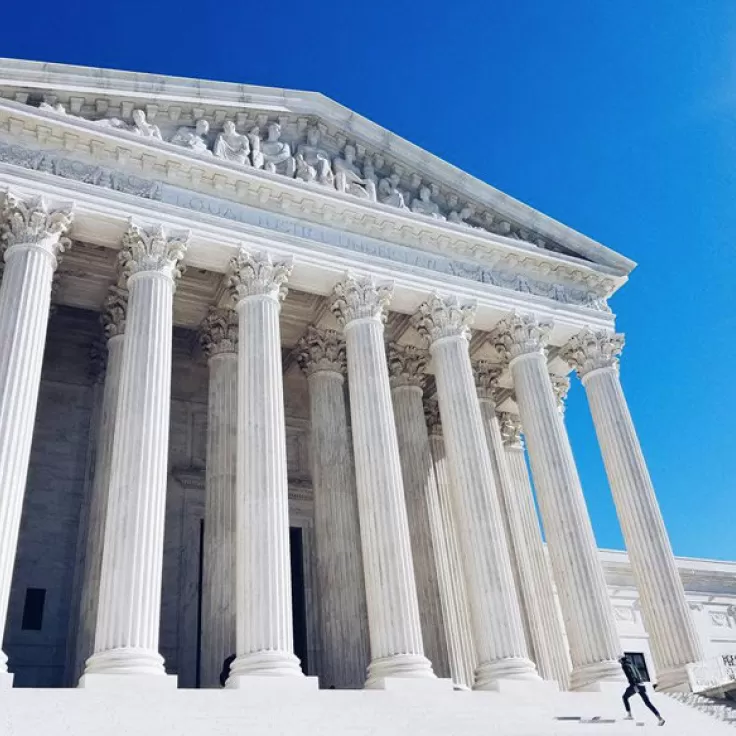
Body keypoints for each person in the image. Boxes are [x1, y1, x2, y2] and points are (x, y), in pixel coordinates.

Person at [619, 655, 665, 726]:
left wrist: (634, 685)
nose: (619, 662)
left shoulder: (624, 665)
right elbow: (637, 674)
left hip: (635, 685)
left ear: (621, 660)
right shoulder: (632, 664)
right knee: (647, 702)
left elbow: (630, 675)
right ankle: (660, 718)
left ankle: (629, 715)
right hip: (641, 684)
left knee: (624, 697)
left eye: (619, 661)